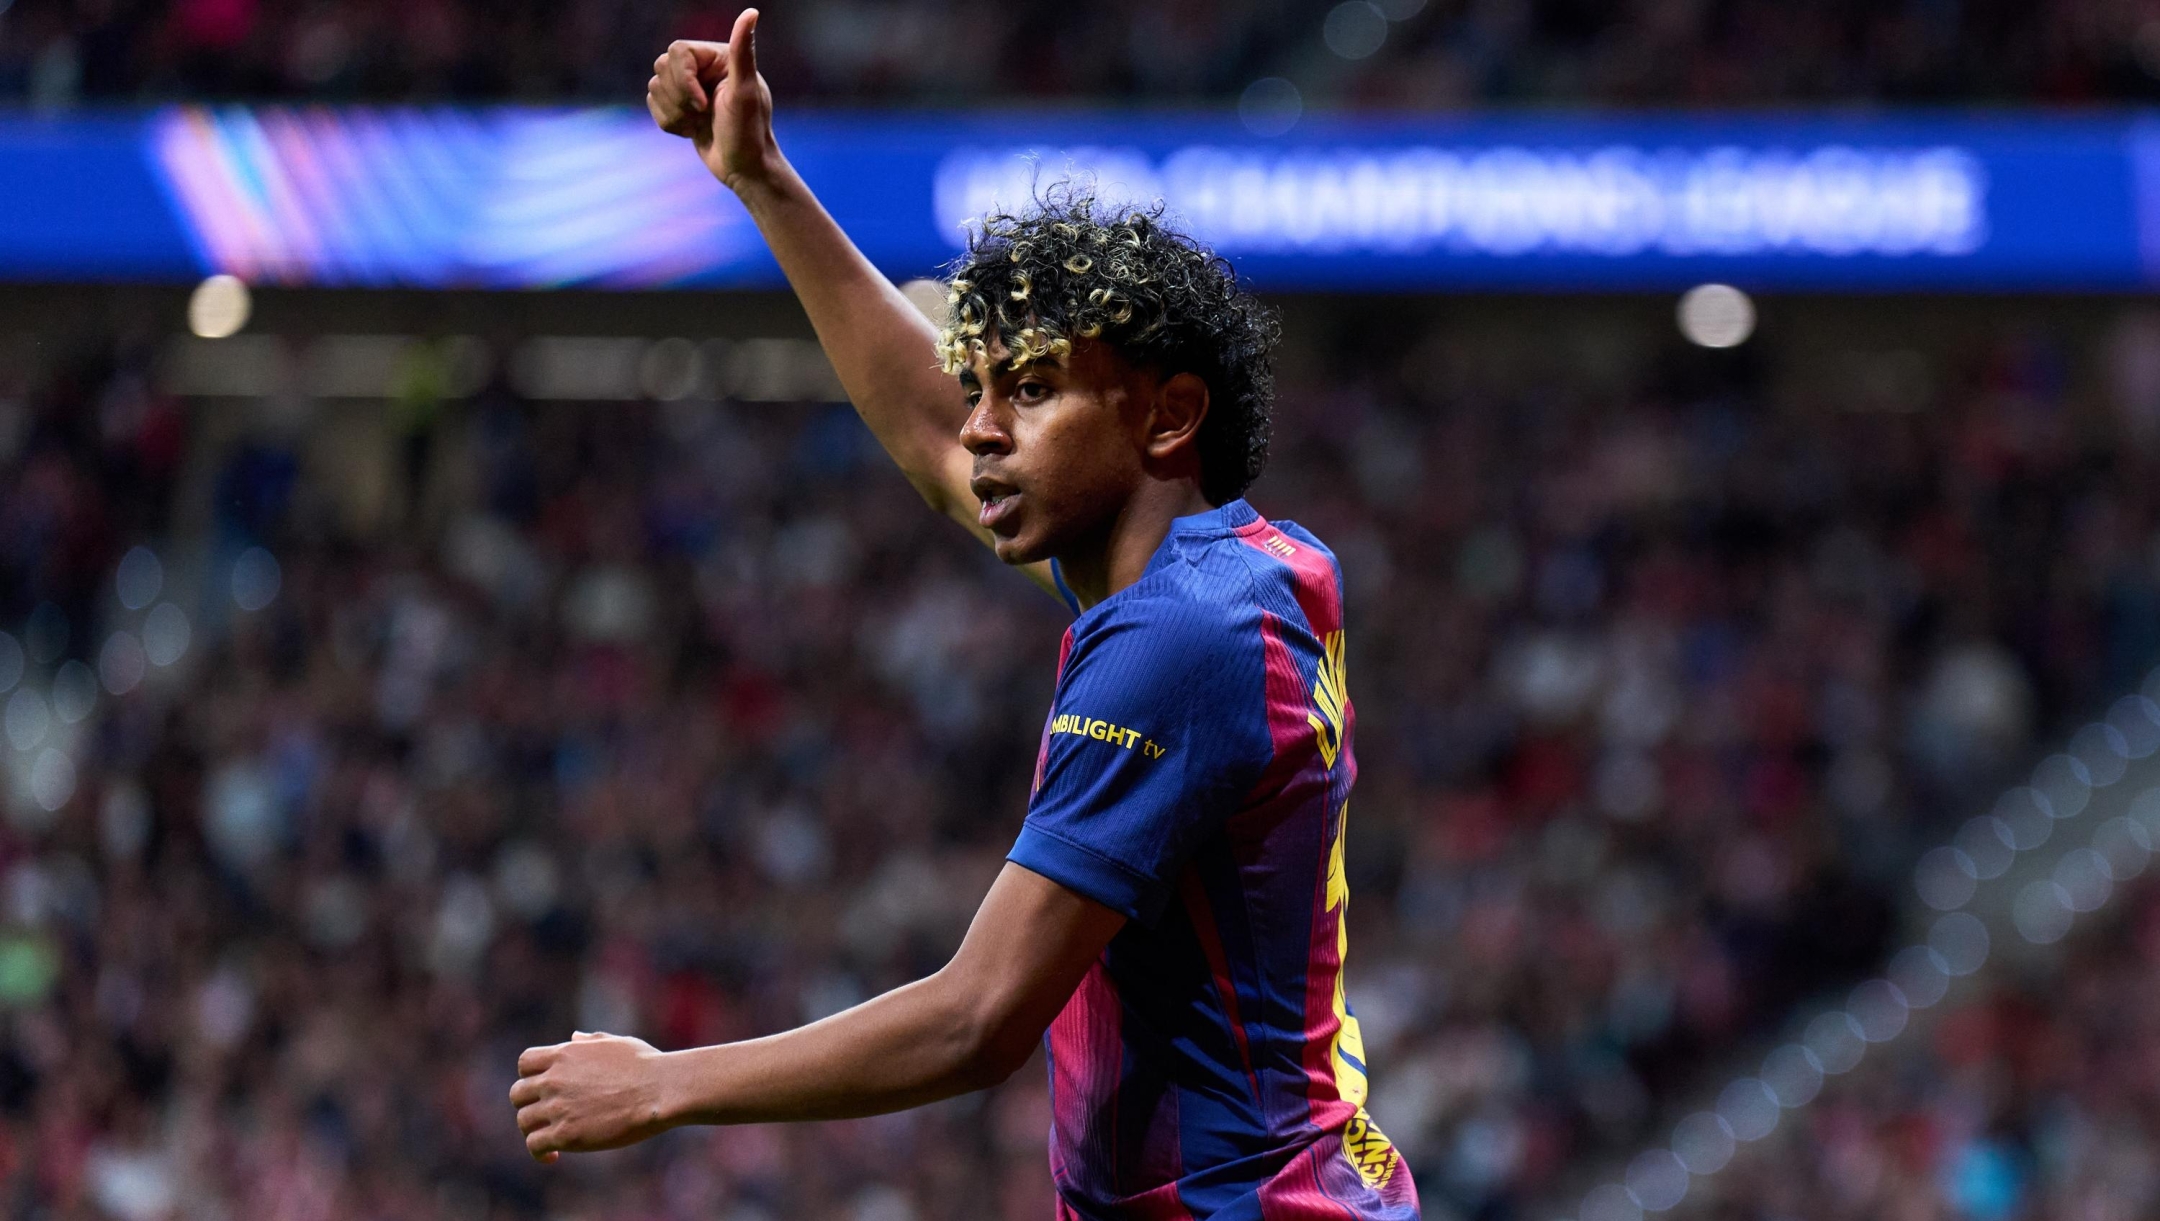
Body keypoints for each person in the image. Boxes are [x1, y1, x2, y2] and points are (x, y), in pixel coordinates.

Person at [509, 10, 1420, 1217]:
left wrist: (665, 1085)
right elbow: (941, 441)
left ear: (1166, 417)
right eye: (982, 380)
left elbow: (978, 1018)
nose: (983, 424)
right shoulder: (1246, 566)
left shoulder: (1179, 640)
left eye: (1031, 389)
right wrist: (761, 179)